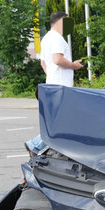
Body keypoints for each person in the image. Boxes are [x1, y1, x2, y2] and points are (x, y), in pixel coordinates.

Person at [25, 11, 84, 155]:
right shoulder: (57, 38)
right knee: (63, 121)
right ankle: (35, 145)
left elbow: (43, 63)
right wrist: (73, 65)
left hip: (52, 84)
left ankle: (49, 148)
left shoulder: (46, 39)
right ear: (61, 20)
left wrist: (52, 75)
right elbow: (57, 59)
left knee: (60, 121)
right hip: (61, 87)